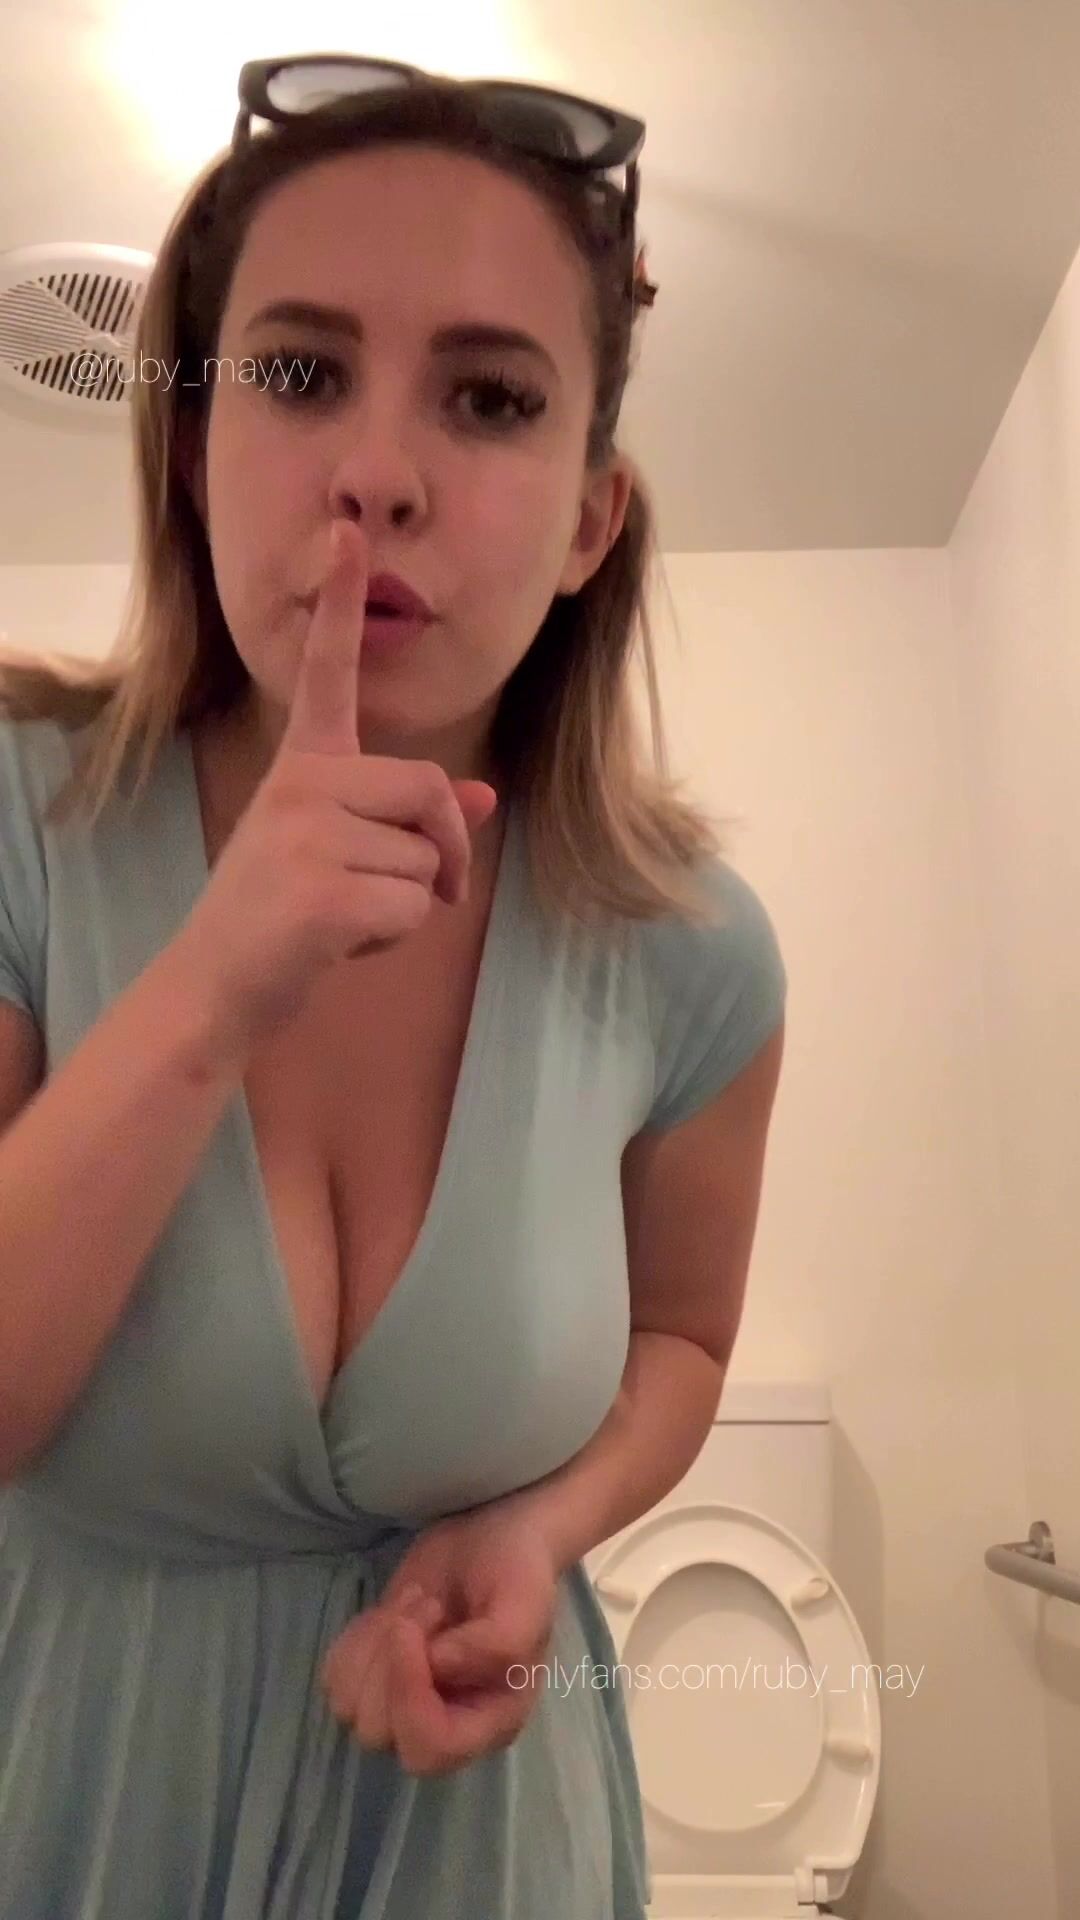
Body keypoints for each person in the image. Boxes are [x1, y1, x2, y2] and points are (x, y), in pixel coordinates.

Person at [0, 55, 787, 1920]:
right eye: (297, 375)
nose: (376, 474)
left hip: (492, 1841)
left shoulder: (693, 948)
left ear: (589, 520)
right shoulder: (20, 821)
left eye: (490, 398)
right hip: (77, 1806)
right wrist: (212, 982)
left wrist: (540, 1526)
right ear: (191, 450)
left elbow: (684, 1345)